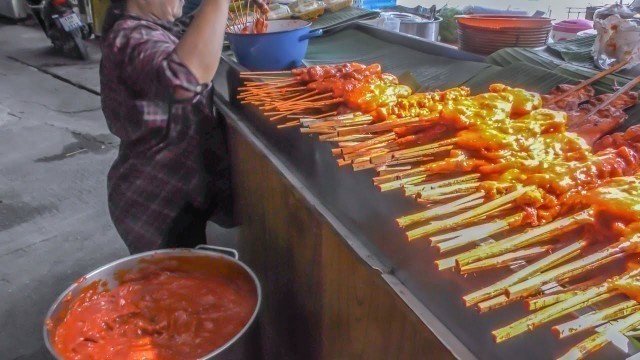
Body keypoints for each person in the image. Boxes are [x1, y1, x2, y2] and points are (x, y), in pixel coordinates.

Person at [100, 0, 249, 253]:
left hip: (180, 193)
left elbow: (190, 33)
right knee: (173, 282)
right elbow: (184, 80)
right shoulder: (128, 37)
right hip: (155, 202)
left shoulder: (155, 29)